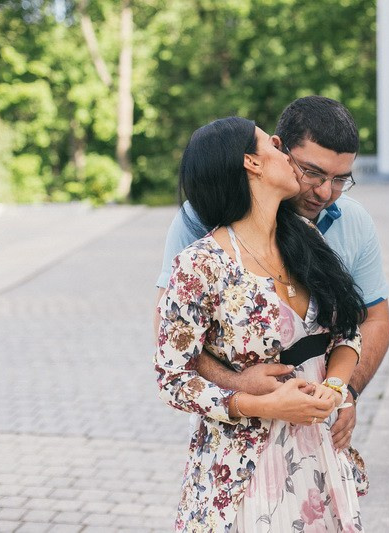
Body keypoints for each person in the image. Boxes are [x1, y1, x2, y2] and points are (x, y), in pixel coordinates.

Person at [155, 116, 367, 531]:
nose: (278, 143)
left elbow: (347, 334)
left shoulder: (309, 241)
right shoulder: (198, 265)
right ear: (250, 164)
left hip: (317, 454)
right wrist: (261, 404)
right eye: (267, 142)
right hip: (243, 467)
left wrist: (337, 389)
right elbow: (171, 377)